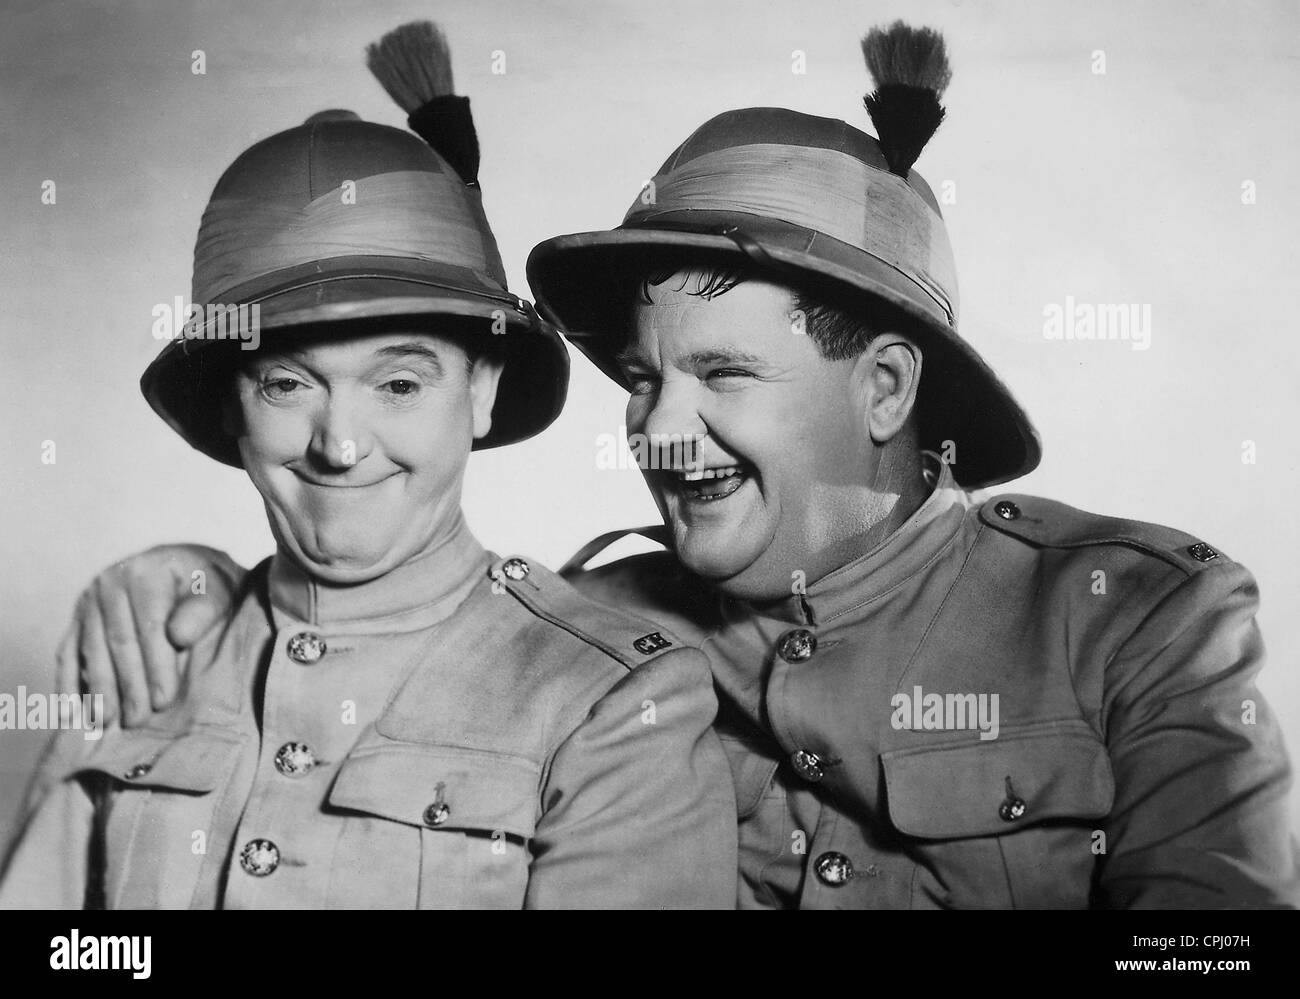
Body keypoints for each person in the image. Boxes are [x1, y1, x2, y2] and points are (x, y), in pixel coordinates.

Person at [36, 22, 1299, 908]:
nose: (654, 430)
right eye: (643, 377)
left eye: (723, 375)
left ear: (884, 387)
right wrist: (190, 578)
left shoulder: (1130, 621)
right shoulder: (602, 633)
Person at [0, 22, 736, 910]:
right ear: (232, 405)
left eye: (397, 382)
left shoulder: (614, 702)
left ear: (481, 392)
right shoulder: (145, 659)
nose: (339, 444)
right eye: (286, 384)